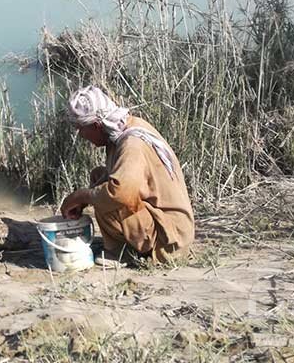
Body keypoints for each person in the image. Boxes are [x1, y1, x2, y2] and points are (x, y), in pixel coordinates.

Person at [59, 85, 195, 265]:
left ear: (97, 125)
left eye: (81, 129)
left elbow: (121, 193)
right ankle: (128, 244)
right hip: (172, 229)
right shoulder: (124, 128)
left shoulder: (132, 143)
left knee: (110, 195)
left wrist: (81, 196)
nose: (81, 135)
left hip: (170, 240)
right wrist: (85, 199)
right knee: (99, 176)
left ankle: (122, 253)